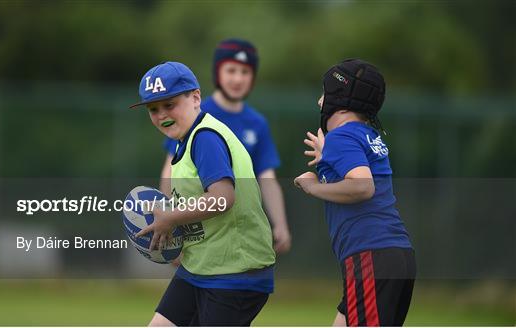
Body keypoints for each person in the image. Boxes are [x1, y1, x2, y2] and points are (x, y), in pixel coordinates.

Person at [130, 61, 276, 326]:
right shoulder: (186, 140)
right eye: (153, 109)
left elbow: (223, 198)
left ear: (196, 97)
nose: (162, 114)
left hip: (234, 273)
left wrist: (171, 218)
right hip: (202, 265)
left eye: (169, 104)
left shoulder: (205, 138)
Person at [294, 59, 416, 326]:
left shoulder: (341, 137)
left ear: (340, 99)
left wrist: (313, 186)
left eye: (325, 93)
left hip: (370, 256)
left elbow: (363, 186)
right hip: (396, 255)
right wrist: (328, 158)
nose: (319, 101)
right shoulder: (366, 135)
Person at [160, 39, 291, 254]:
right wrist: (171, 222)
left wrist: (281, 224)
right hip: (198, 228)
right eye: (231, 70)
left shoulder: (257, 123)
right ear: (217, 73)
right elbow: (171, 170)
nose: (238, 78)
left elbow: (267, 179)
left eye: (245, 72)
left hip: (239, 235)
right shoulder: (192, 112)